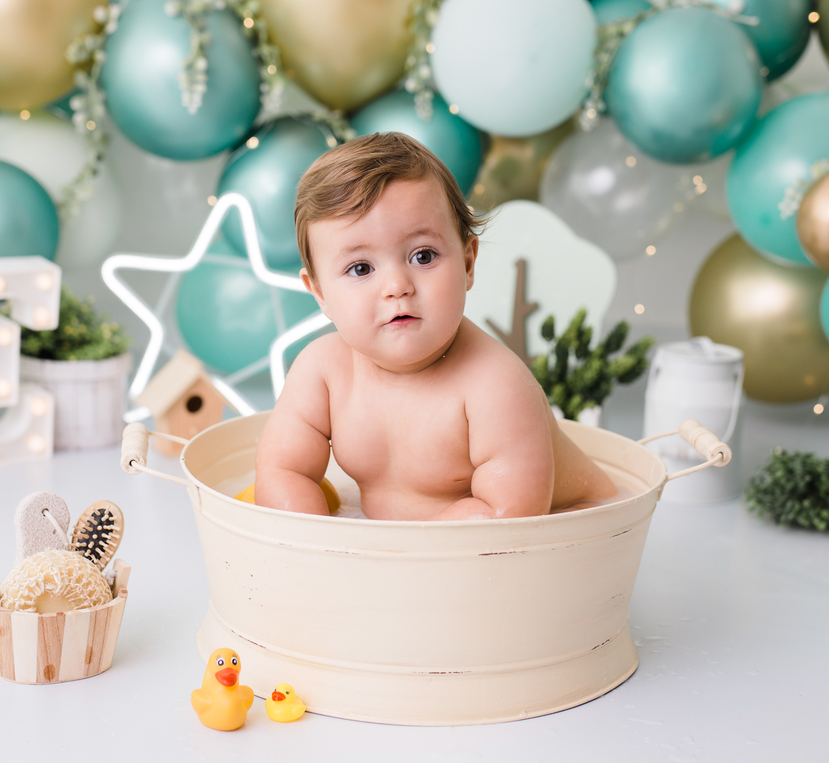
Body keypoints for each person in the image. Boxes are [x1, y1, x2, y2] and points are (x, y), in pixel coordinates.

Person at [253, 132, 617, 521]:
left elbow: (508, 518)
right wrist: (321, 545)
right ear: (320, 292)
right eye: (361, 268)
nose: (397, 287)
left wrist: (405, 559)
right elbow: (281, 472)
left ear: (467, 262)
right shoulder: (322, 372)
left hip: (580, 529)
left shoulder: (496, 385)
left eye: (422, 256)